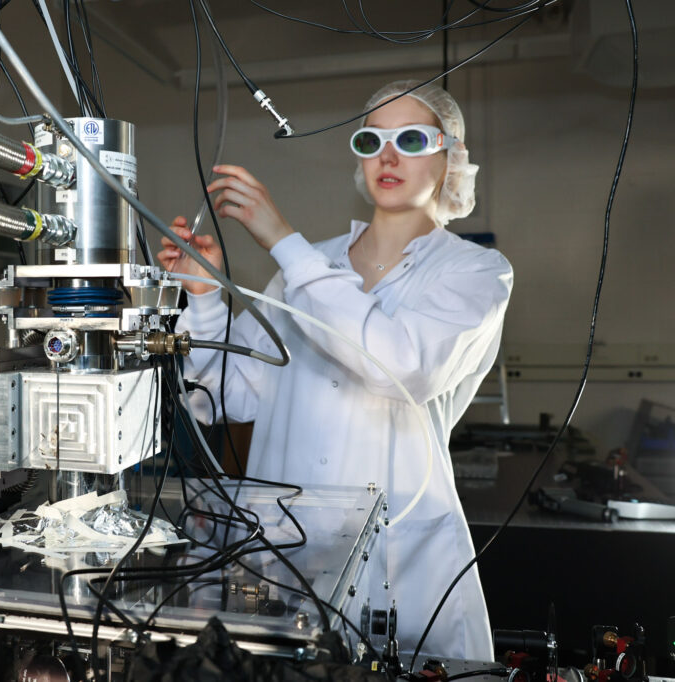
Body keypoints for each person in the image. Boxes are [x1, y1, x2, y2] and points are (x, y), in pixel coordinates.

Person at [158, 80, 513, 661]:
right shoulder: (306, 266)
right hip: (284, 559)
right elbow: (220, 397)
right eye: (372, 140)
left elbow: (401, 366)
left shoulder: (475, 272)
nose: (388, 157)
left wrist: (282, 240)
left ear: (451, 156)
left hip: (401, 561)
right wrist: (202, 298)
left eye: (411, 139)